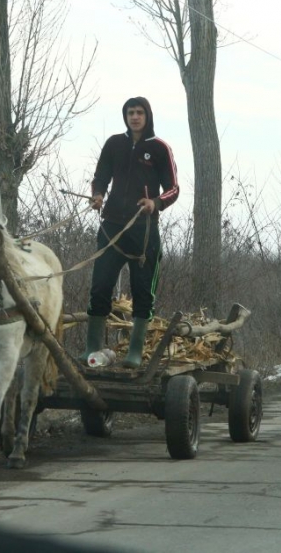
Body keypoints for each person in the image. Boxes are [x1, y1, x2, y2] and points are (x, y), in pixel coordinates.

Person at [81, 96, 179, 369]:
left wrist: (155, 203)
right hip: (111, 226)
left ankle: (134, 352)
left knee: (143, 291)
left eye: (139, 113)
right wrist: (98, 195)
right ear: (125, 116)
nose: (134, 117)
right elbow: (100, 177)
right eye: (130, 113)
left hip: (144, 229)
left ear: (147, 116)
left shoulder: (160, 149)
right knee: (100, 286)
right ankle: (92, 348)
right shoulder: (114, 144)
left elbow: (173, 188)